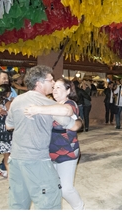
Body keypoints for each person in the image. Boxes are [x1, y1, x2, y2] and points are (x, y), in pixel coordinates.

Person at [5, 66, 78, 210]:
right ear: (39, 83)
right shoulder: (49, 103)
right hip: (37, 160)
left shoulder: (17, 101)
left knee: (18, 202)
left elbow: (9, 126)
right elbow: (72, 125)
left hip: (15, 160)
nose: (52, 83)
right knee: (50, 200)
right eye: (50, 80)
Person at [27, 79, 85, 209]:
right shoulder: (52, 104)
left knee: (65, 188)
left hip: (67, 151)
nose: (55, 90)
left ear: (68, 90)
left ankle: (79, 207)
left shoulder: (71, 104)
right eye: (54, 87)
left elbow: (65, 111)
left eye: (59, 87)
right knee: (51, 186)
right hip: (50, 150)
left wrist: (38, 109)